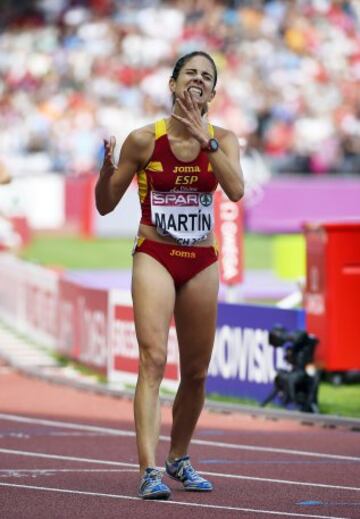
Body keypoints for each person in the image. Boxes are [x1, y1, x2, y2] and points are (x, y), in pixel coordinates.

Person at [95, 51, 244, 500]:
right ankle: (149, 470)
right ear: (173, 84)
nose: (198, 81)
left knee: (196, 371)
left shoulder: (225, 139)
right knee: (153, 359)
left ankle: (179, 457)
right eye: (190, 74)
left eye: (207, 77)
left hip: (201, 260)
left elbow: (236, 191)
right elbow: (105, 204)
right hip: (155, 253)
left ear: (212, 94)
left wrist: (208, 143)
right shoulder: (143, 140)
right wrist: (106, 171)